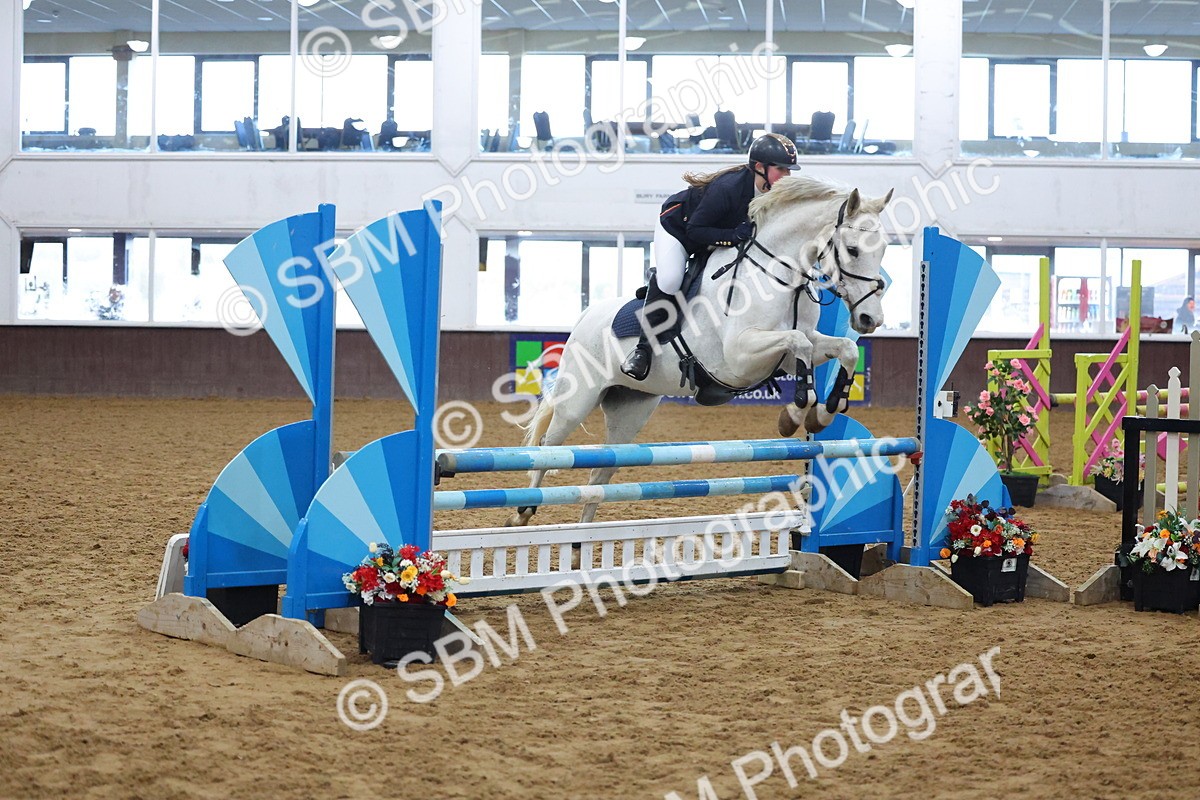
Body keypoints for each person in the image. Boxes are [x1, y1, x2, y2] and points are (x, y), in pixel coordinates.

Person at [620, 132, 800, 380]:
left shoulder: (774, 193)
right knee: (671, 281)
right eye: (781, 169)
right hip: (679, 230)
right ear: (760, 167)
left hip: (715, 236)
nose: (787, 175)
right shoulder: (728, 188)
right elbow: (695, 230)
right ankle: (642, 351)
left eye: (789, 170)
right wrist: (732, 235)